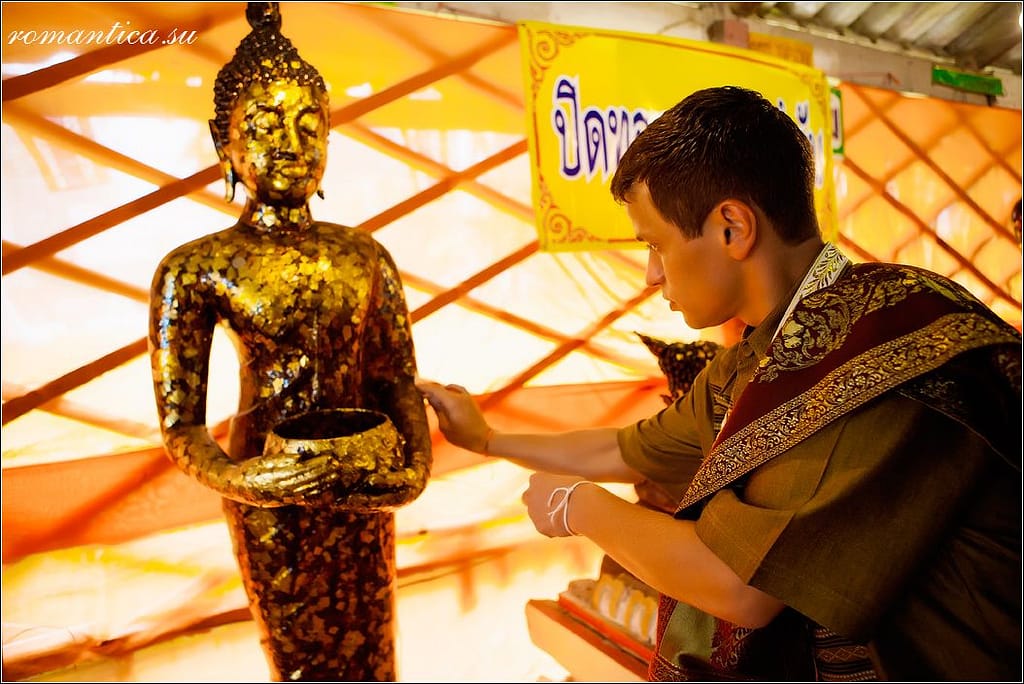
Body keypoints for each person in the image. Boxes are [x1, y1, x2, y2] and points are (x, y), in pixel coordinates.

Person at [418, 85, 1022, 681]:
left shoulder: (876, 346)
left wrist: (581, 507)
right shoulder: (767, 350)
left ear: (732, 227)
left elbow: (739, 585)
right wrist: (489, 440)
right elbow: (631, 448)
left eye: (657, 244)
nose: (652, 274)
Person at [148, 3, 430, 680]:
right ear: (226, 144)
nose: (290, 142)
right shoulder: (196, 266)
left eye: (310, 126)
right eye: (266, 125)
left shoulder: (364, 256)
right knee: (299, 662)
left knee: (373, 651)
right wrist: (242, 480)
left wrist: (414, 468)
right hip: (270, 489)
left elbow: (397, 380)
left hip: (363, 473)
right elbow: (181, 425)